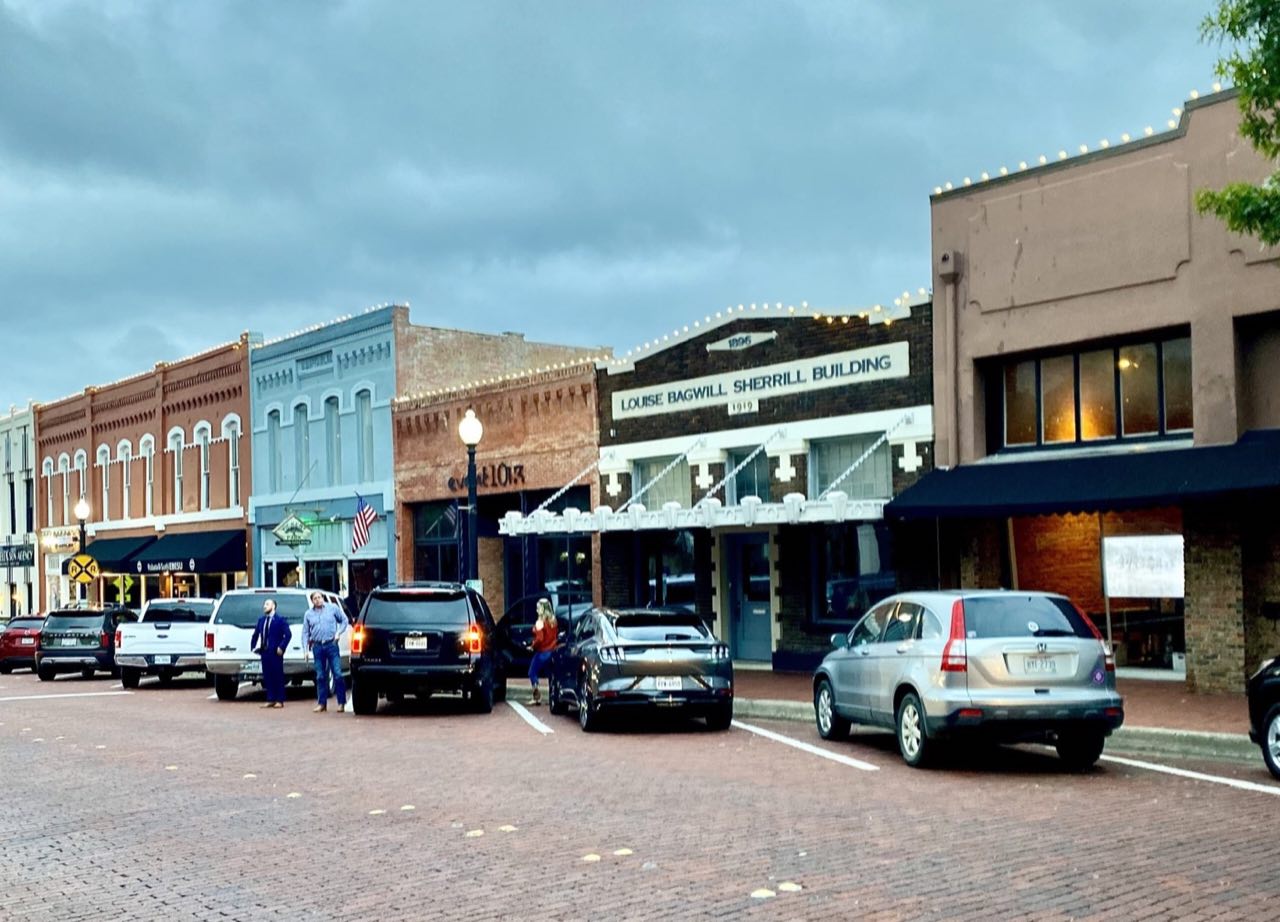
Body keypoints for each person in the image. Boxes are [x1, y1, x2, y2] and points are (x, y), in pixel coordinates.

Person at [303, 591, 348, 713]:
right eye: (315, 598)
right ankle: (321, 703)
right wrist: (305, 650)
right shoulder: (308, 614)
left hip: (331, 644)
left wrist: (338, 632)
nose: (318, 600)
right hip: (317, 646)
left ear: (323, 598)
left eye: (319, 597)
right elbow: (305, 633)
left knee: (337, 674)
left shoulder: (332, 608)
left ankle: (341, 703)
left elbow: (344, 620)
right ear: (312, 601)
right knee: (320, 676)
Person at [250, 598, 291, 709]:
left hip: (276, 652)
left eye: (267, 604)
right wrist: (253, 647)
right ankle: (270, 698)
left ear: (273, 606)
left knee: (277, 675)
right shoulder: (261, 620)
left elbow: (288, 635)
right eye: (264, 604)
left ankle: (279, 700)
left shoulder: (280, 620)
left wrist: (282, 647)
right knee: (267, 676)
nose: (264, 606)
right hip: (265, 652)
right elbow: (255, 634)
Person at [528, 598, 558, 706]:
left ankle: (537, 697)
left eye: (538, 608)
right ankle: (552, 697)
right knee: (551, 675)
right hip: (552, 651)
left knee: (532, 672)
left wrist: (532, 646)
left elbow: (540, 638)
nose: (536, 610)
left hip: (542, 652)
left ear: (542, 609)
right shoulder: (553, 621)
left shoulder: (540, 622)